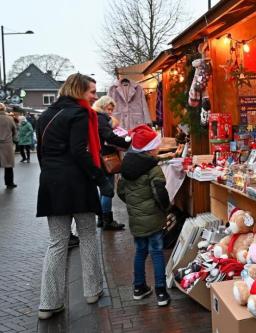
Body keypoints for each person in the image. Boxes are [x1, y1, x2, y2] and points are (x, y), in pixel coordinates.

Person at [36, 73, 114, 319]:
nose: (95, 96)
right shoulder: (80, 114)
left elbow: (41, 152)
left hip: (51, 184)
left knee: (57, 242)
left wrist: (51, 175)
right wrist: (100, 179)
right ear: (79, 91)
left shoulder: (46, 115)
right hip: (77, 183)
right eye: (92, 91)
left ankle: (48, 303)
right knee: (88, 235)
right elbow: (80, 152)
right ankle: (92, 290)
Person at [117, 125, 171, 307]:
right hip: (154, 218)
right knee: (156, 252)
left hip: (136, 219)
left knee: (140, 251)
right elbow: (160, 194)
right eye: (156, 146)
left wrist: (134, 206)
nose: (158, 149)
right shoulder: (153, 169)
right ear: (149, 149)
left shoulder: (126, 167)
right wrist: (166, 209)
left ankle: (139, 288)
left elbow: (121, 191)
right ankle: (161, 292)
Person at [93, 96, 131, 230]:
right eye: (108, 109)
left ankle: (101, 219)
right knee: (108, 189)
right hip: (106, 157)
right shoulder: (101, 118)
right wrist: (126, 142)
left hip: (99, 156)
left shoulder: (96, 117)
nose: (110, 112)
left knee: (103, 189)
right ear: (102, 107)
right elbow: (108, 136)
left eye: (111, 109)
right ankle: (107, 220)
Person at [0, 103, 17, 188]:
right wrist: (13, 139)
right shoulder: (9, 119)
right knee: (8, 165)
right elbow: (14, 130)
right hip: (7, 144)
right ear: (4, 109)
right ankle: (9, 183)